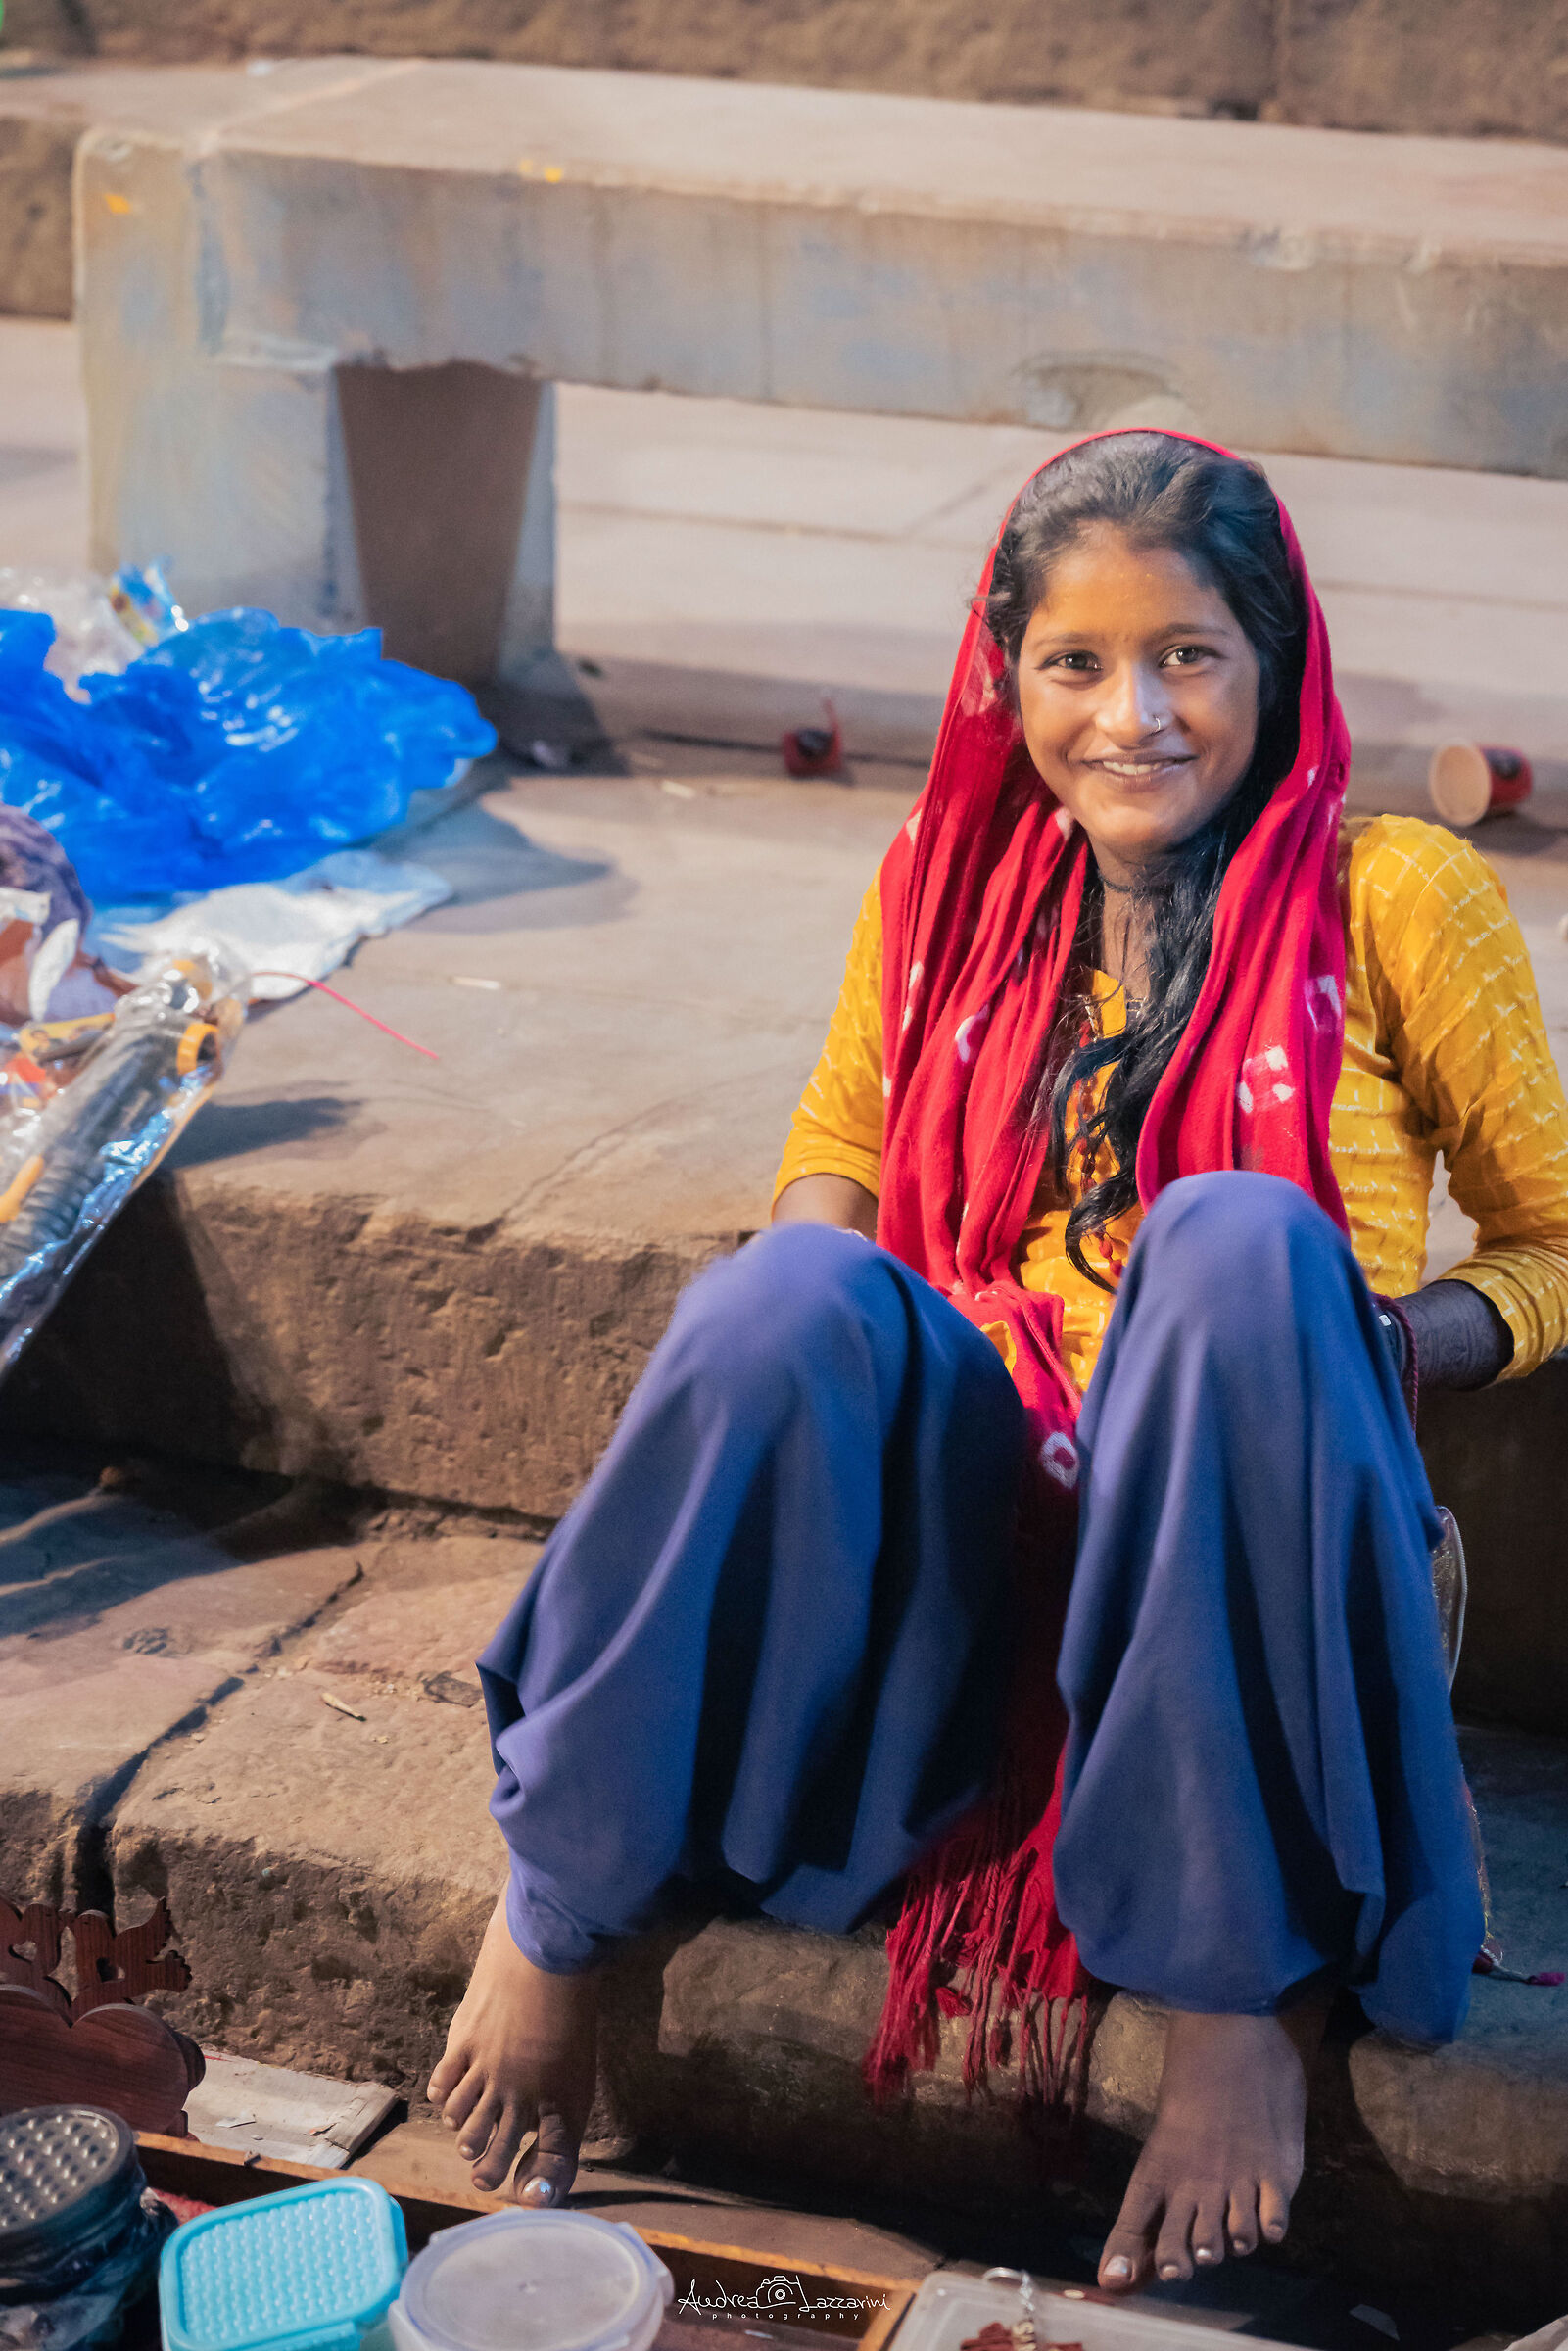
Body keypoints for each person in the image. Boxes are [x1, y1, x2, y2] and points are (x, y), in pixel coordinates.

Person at [429, 432, 1568, 2289]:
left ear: (1274, 658)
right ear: (1005, 675)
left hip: (1236, 1493)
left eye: (1186, 656)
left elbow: (1552, 1244)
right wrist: (818, 1350)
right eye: (1074, 664)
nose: (1133, 718)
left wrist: (1383, 1342)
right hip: (972, 1508)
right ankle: (558, 1895)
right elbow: (839, 1148)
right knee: (781, 1294)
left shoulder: (1397, 896)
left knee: (1235, 1239)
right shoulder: (947, 883)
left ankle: (1231, 1988)